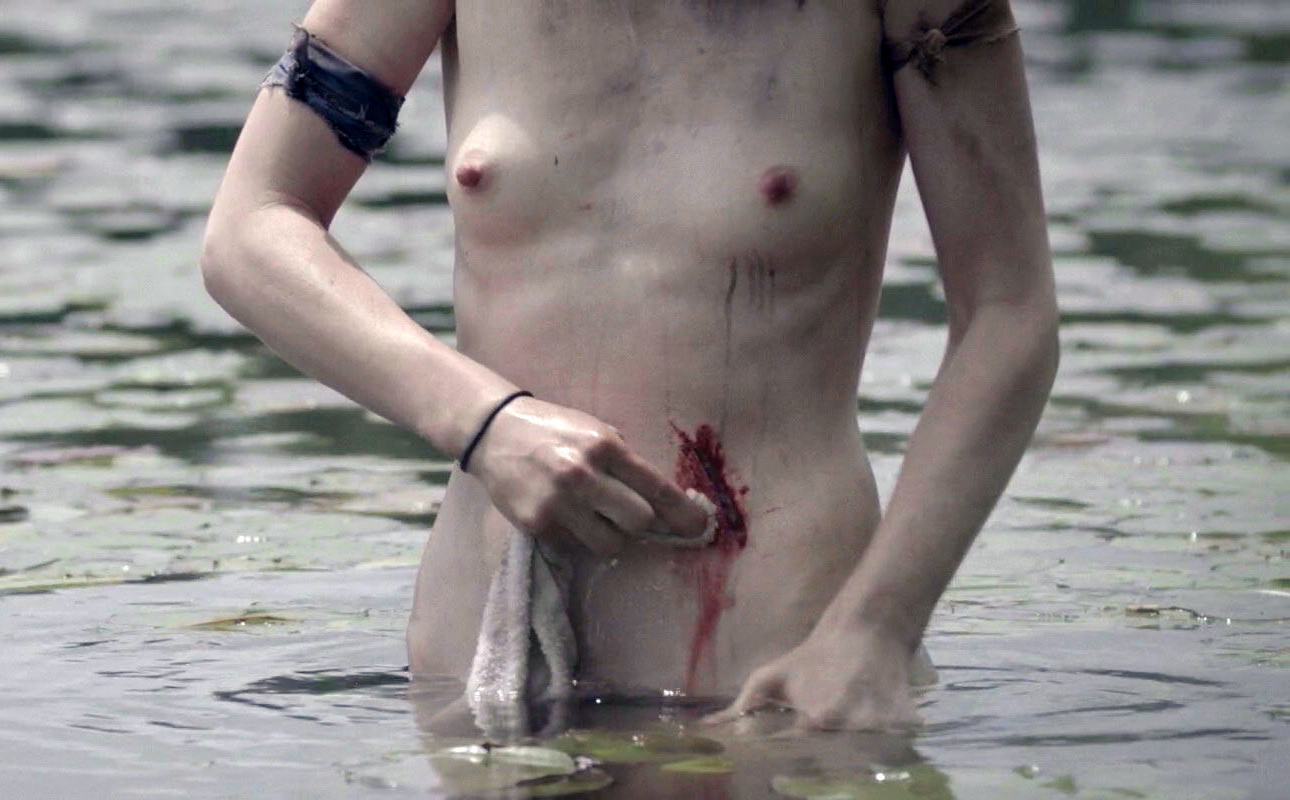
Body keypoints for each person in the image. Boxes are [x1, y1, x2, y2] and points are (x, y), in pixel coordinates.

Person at [200, 0, 1058, 734]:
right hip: (482, 672)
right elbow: (251, 226)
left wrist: (877, 630)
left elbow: (1008, 313)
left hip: (786, 680)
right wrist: (484, 421)